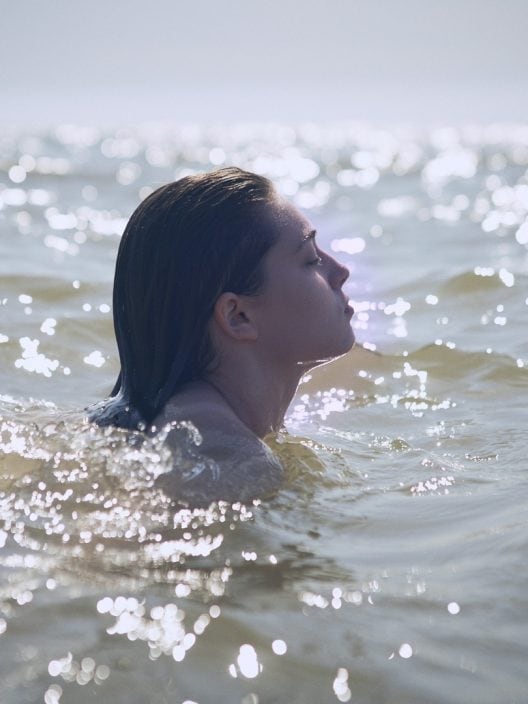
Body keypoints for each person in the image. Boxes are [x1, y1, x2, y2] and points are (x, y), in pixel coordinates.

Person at [89, 167, 355, 504]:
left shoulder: (148, 424)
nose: (341, 271)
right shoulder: (233, 461)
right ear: (238, 316)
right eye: (311, 259)